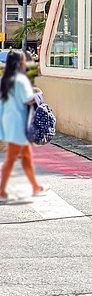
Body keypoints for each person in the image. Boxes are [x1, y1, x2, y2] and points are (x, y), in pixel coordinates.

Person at [0, 51, 46, 202]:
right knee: (12, 157)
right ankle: (1, 189)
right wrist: (39, 93)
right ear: (20, 63)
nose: (26, 63)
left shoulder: (4, 80)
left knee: (26, 156)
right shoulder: (20, 80)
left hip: (8, 120)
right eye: (24, 60)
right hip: (18, 124)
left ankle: (35, 185)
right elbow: (28, 99)